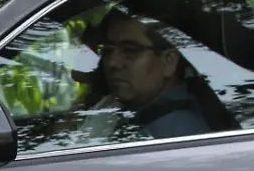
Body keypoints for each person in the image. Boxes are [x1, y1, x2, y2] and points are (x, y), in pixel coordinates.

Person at [78, 11, 212, 141]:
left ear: (169, 61)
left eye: (130, 50)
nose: (113, 63)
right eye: (108, 50)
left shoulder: (178, 132)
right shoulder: (117, 110)